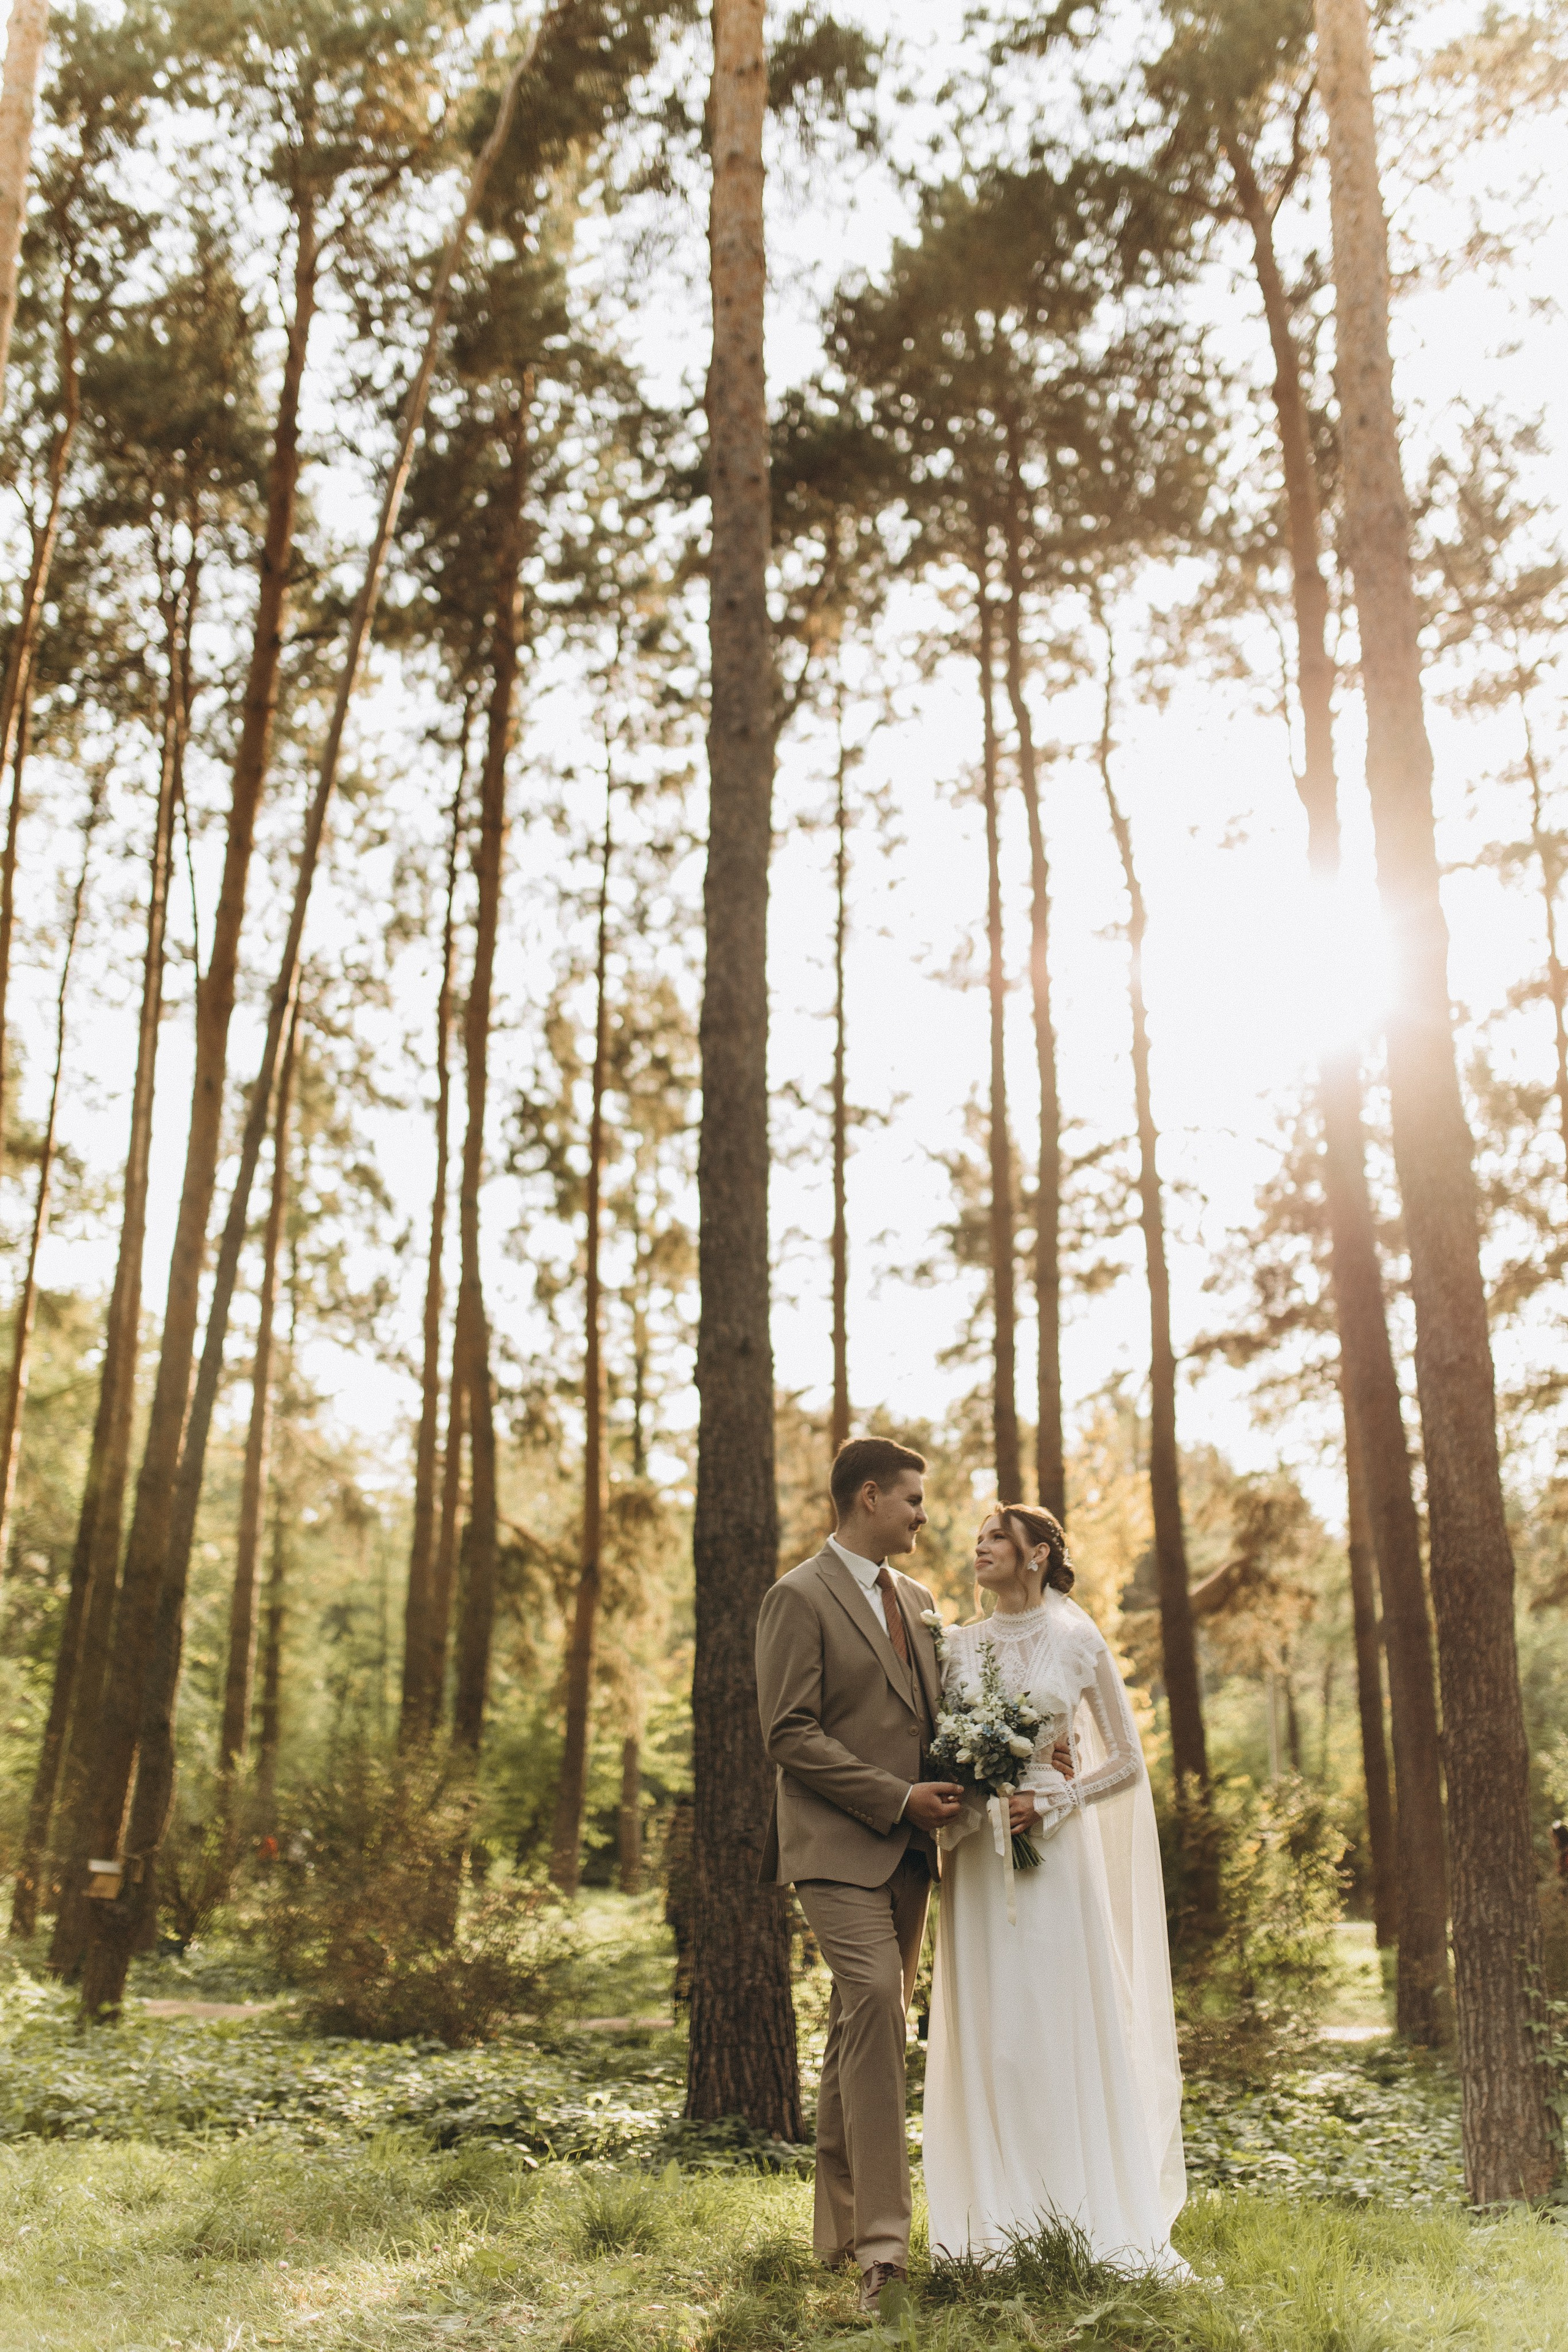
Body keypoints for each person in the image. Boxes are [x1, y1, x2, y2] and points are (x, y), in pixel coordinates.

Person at [753, 1439, 1071, 2317]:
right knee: (879, 2007)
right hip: (834, 1849)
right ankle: (885, 2256)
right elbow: (789, 1732)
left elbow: (946, 1719)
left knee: (858, 2025)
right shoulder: (796, 1597)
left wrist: (1024, 1766)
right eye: (914, 1501)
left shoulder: (921, 1600)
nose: (926, 1517)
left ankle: (835, 2229)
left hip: (911, 1858)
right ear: (867, 1498)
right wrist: (896, 1796)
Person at [922, 1504, 1188, 2276]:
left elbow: (1126, 1762)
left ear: (1037, 1554)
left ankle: (1074, 2210)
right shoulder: (958, 1646)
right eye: (978, 1538)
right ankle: (986, 2221)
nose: (980, 1547)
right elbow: (938, 1743)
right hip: (976, 1853)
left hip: (1051, 1854)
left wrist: (1052, 1798)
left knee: (1048, 2020)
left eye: (996, 1537)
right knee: (991, 2030)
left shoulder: (1076, 1638)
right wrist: (972, 1794)